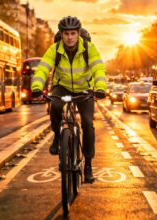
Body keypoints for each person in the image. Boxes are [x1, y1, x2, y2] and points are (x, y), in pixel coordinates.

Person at [31, 16, 107, 183]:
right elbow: (43, 69)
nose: (70, 37)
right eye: (66, 34)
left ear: (78, 34)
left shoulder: (89, 48)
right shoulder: (54, 49)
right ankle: (58, 137)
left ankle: (88, 165)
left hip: (84, 89)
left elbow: (98, 69)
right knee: (55, 106)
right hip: (62, 86)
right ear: (62, 35)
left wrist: (100, 88)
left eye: (73, 33)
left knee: (87, 123)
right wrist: (36, 87)